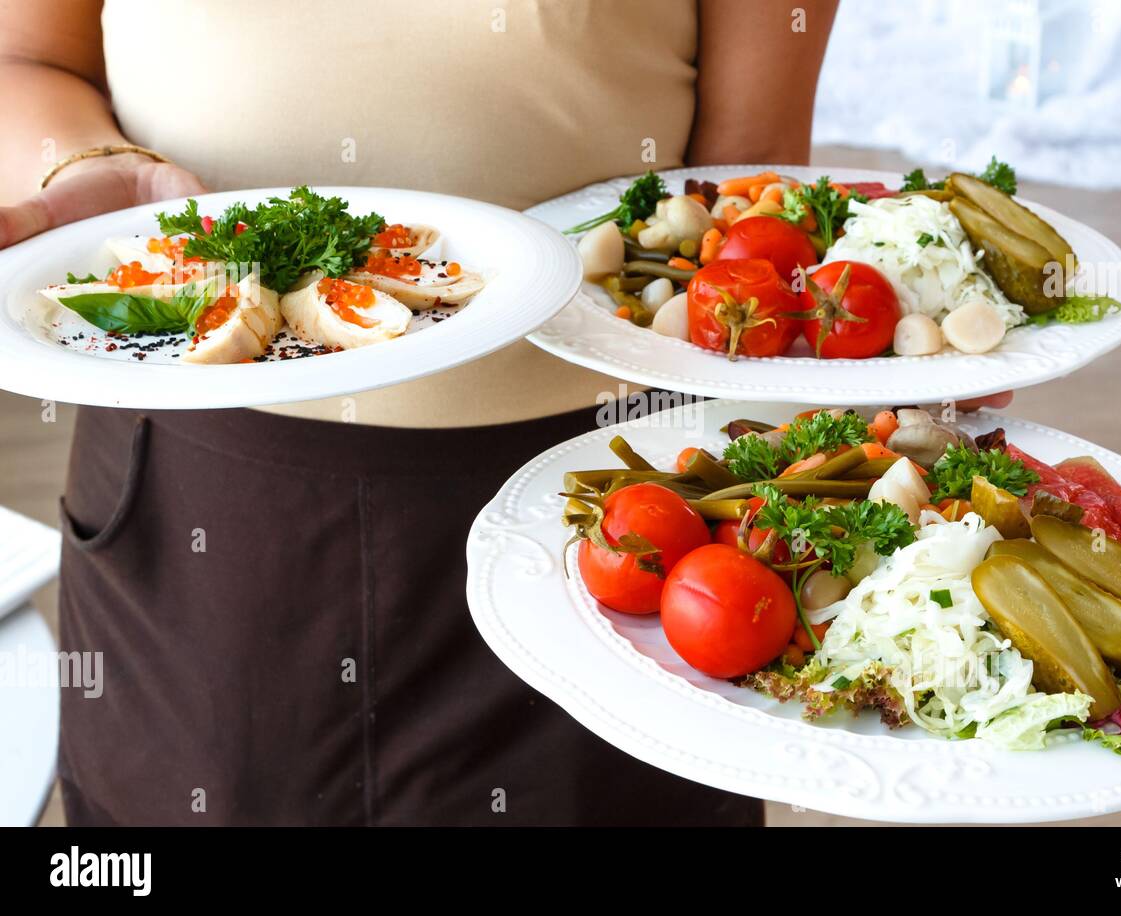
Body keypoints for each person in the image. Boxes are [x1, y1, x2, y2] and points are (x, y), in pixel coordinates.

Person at [0, 0, 840, 826]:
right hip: (197, 497)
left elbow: (748, 187)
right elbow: (26, 59)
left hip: (603, 504)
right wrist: (83, 168)